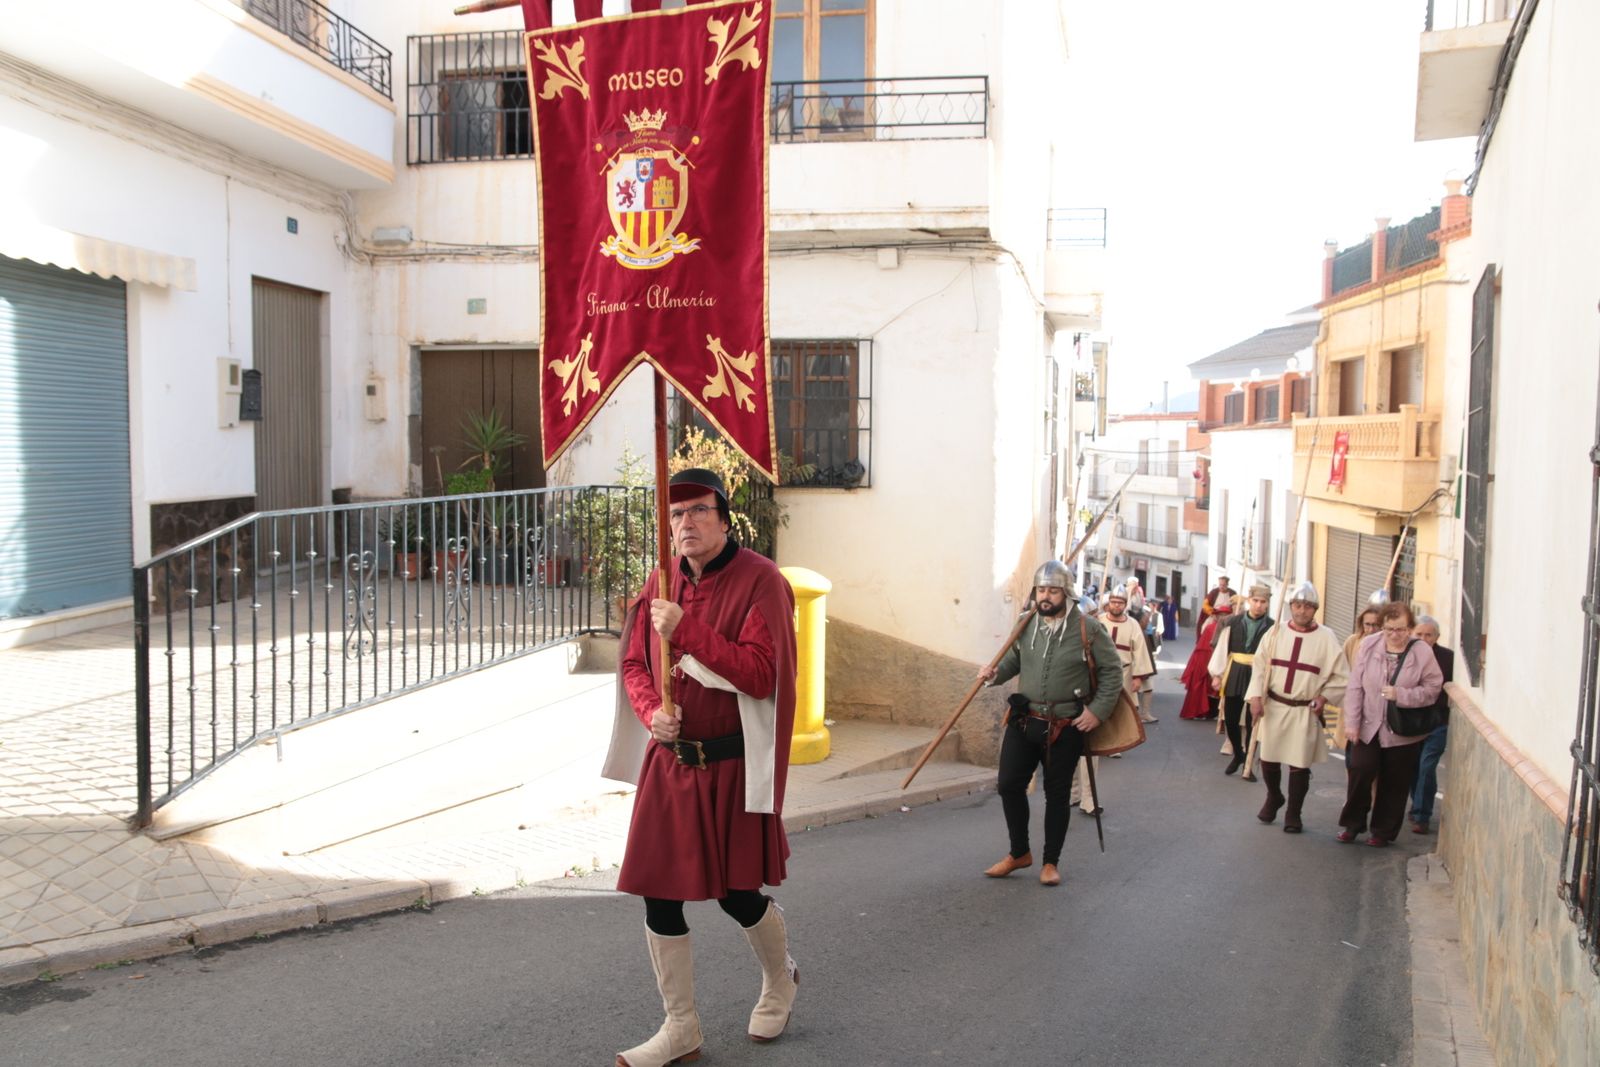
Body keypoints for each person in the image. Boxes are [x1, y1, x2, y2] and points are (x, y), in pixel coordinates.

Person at [603, 468, 801, 1065]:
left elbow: (762, 673)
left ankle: (781, 978)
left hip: (733, 765)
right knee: (657, 895)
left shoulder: (762, 580)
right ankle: (680, 1028)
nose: (685, 523)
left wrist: (687, 630)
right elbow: (636, 664)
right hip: (670, 765)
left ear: (723, 516)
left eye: (697, 511)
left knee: (739, 893)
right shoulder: (660, 580)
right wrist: (650, 712)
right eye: (676, 514)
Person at [978, 560, 1122, 887]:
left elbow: (1113, 672)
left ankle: (1050, 862)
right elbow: (1014, 660)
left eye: (1053, 591)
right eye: (1041, 590)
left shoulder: (1089, 628)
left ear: (1066, 593)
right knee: (1008, 785)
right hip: (1025, 720)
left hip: (1067, 726)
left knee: (1057, 795)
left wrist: (1097, 710)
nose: (1045, 596)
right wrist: (994, 674)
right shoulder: (1026, 622)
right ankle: (1019, 853)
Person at [1245, 582, 1350, 834]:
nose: (1302, 611)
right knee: (1268, 759)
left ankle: (1294, 812)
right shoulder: (1275, 632)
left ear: (1315, 609)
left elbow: (1342, 676)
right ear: (1291, 606)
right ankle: (1274, 796)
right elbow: (1260, 667)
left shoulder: (1326, 637)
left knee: (1299, 765)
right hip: (1274, 705)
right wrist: (1256, 697)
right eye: (1298, 605)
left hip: (1303, 710)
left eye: (1308, 606)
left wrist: (1324, 697)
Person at [1338, 602, 1443, 847]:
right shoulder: (1369, 645)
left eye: (1401, 629)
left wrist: (1402, 695)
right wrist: (1351, 723)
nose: (1395, 635)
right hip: (1368, 724)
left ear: (1410, 628)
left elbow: (1433, 689)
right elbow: (1355, 686)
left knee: (1394, 781)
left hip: (1402, 730)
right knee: (1361, 769)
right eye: (1389, 629)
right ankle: (1352, 824)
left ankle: (1382, 832)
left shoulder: (1422, 652)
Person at [1207, 583, 1274, 776]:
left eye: (1263, 602)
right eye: (1255, 601)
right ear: (1248, 601)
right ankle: (1238, 754)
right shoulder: (1232, 622)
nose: (1258, 605)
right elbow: (1222, 649)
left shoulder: (1272, 627)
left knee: (1252, 720)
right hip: (1235, 670)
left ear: (1267, 604)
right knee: (1231, 717)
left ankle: (1249, 762)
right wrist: (1217, 675)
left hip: (1257, 673)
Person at [1408, 616, 1455, 834]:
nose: (1424, 638)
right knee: (1413, 767)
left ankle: (1421, 814)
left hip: (1438, 723)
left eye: (1429, 634)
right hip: (1411, 722)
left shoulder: (1448, 658)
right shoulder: (1406, 655)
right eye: (1419, 634)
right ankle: (1417, 804)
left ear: (1437, 637)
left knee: (1427, 766)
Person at [1101, 583, 1158, 724]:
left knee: (1123, 714)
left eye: (1120, 603)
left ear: (1125, 604)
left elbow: (1140, 652)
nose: (1116, 606)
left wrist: (1138, 677)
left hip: (1124, 673)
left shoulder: (1133, 624)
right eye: (1113, 602)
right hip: (1100, 672)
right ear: (1109, 603)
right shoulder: (1098, 621)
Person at [1180, 601, 1229, 719]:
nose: (1223, 617)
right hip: (1206, 659)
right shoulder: (1211, 628)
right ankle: (1202, 711)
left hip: (1222, 660)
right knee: (1203, 686)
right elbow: (1204, 647)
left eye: (1225, 615)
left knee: (1217, 689)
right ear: (1216, 616)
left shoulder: (1229, 629)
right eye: (1221, 615)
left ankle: (1214, 712)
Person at [1343, 606, 1381, 672]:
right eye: (1367, 624)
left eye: (1375, 625)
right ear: (1362, 624)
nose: (1371, 629)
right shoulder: (1352, 641)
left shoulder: (1387, 645)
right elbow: (1342, 667)